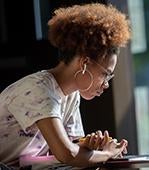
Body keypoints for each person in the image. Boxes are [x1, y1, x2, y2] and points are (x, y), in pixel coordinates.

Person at [0, 2, 131, 169]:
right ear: (84, 62)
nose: (106, 85)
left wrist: (89, 146)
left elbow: (73, 149)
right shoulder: (39, 90)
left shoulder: (71, 95)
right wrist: (107, 153)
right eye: (105, 74)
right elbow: (67, 154)